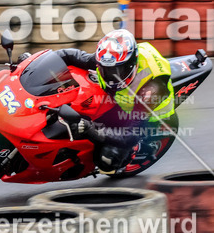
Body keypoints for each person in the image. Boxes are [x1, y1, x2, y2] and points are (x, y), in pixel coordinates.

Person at [55, 29, 178, 174]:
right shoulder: (109, 59)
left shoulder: (150, 90)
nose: (110, 76)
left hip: (142, 113)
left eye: (116, 71)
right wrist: (34, 61)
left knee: (107, 161)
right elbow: (69, 56)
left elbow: (129, 135)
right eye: (105, 69)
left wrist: (90, 129)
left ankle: (133, 152)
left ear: (132, 65)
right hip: (120, 99)